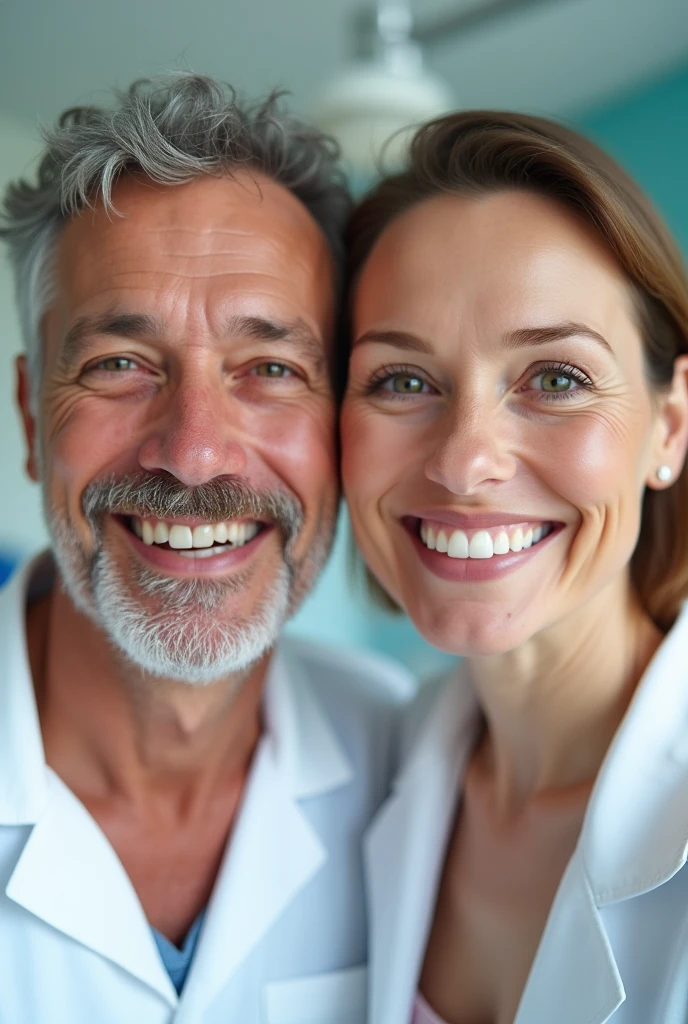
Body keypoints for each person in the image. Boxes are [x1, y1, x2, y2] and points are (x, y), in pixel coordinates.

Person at [0, 73, 413, 1024]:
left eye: (270, 369)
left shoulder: (416, 760)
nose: (192, 455)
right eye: (119, 366)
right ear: (31, 416)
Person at [341, 110, 688, 1024]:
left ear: (671, 426)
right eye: (402, 381)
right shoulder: (373, 764)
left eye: (556, 379)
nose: (464, 462)